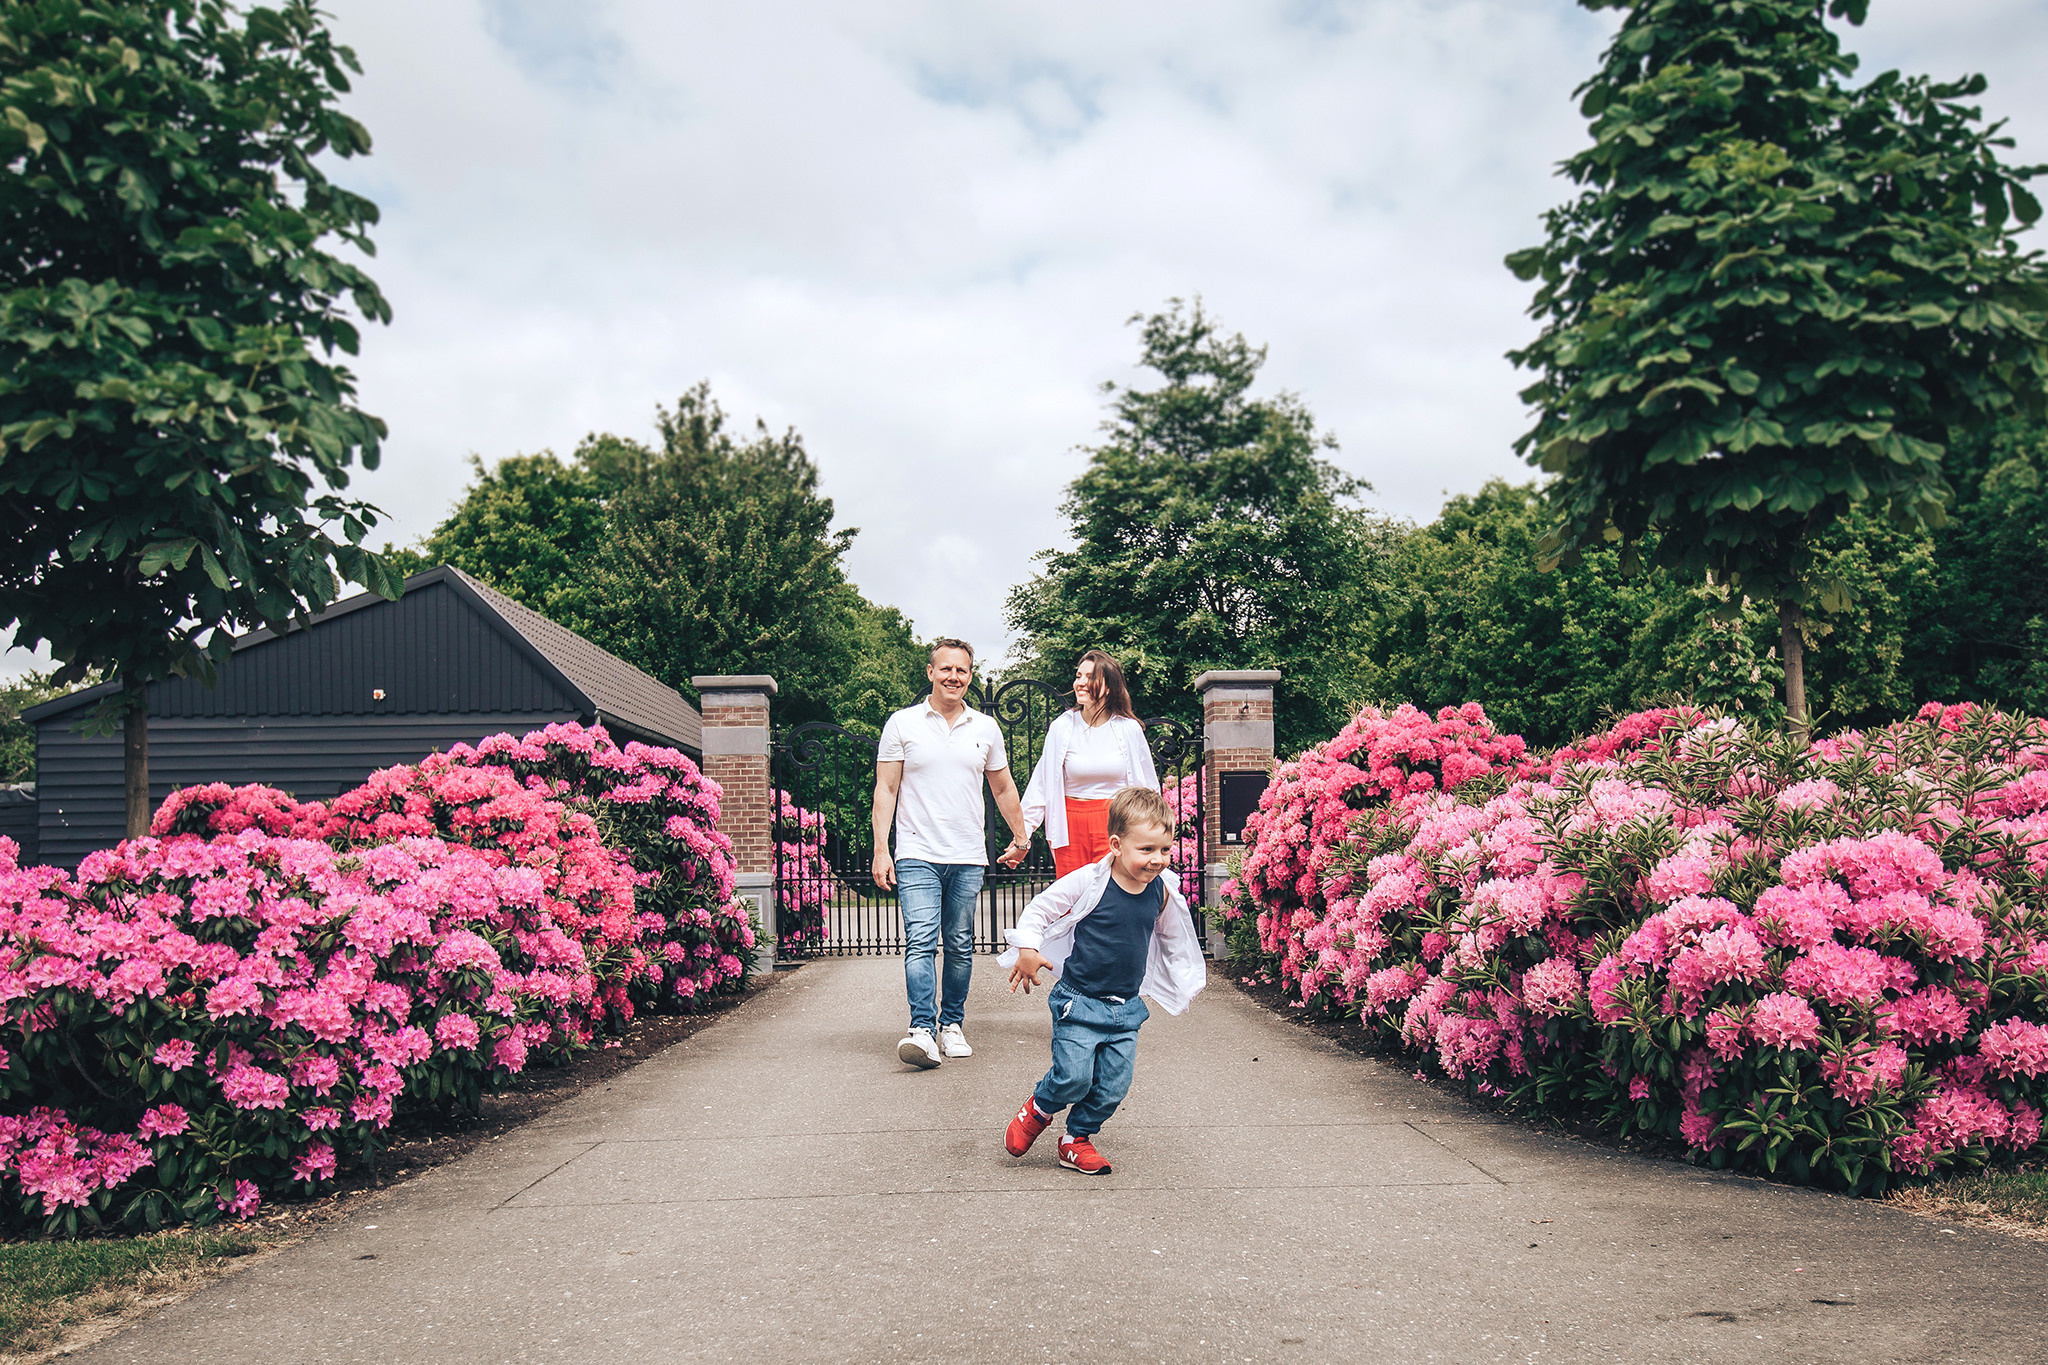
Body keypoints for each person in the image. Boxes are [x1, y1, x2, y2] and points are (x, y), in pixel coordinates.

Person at [997, 785, 1206, 1174]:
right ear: (1116, 844)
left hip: (1125, 1008)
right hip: (1079, 1000)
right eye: (1146, 850)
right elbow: (1041, 909)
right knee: (1074, 1077)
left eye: (1164, 849)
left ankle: (1076, 1140)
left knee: (1112, 1087)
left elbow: (1175, 938)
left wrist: (1184, 979)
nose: (1157, 860)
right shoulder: (1090, 882)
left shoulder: (1161, 891)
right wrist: (1026, 948)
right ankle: (1040, 1107)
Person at [873, 638, 1030, 1070]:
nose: (953, 677)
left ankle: (952, 1025)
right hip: (916, 851)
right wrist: (881, 850)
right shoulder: (902, 724)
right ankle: (922, 1029)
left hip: (966, 855)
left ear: (970, 677)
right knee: (921, 940)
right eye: (945, 669)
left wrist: (1020, 837)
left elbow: (1002, 786)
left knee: (959, 944)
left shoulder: (985, 728)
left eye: (961, 671)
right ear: (930, 672)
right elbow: (886, 789)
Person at [1003, 651, 1159, 877]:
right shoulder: (1062, 727)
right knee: (1073, 903)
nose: (1081, 683)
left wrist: (1155, 837)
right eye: (1079, 676)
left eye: (1090, 677)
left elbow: (1149, 789)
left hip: (1117, 824)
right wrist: (1022, 838)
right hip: (1070, 826)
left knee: (1113, 897)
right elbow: (1041, 785)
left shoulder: (1129, 729)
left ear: (1108, 687)